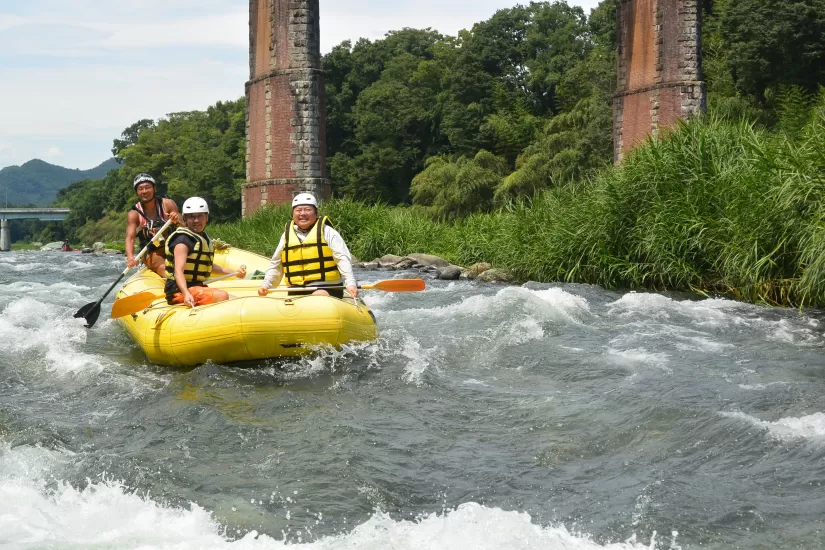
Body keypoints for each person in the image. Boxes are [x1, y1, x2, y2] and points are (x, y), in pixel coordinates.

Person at [257, 193, 357, 300]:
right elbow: (276, 263)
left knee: (316, 297)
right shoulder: (286, 236)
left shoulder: (327, 231)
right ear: (293, 213)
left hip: (327, 288)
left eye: (307, 210)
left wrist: (350, 282)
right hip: (296, 289)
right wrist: (266, 285)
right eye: (298, 210)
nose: (303, 213)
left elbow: (342, 258)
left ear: (316, 213)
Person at [164, 197, 246, 307]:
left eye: (200, 216)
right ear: (184, 218)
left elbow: (208, 266)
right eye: (191, 217)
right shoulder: (182, 241)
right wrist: (186, 293)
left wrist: (234, 272)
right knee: (222, 296)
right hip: (178, 291)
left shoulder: (203, 237)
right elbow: (178, 272)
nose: (196, 220)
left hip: (196, 287)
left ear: (206, 217)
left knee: (237, 301)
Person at [125, 173, 181, 277]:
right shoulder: (134, 214)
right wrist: (130, 257)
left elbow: (183, 228)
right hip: (152, 252)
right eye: (140, 189)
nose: (144, 191)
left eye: (147, 187)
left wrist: (176, 220)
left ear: (154, 189)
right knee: (165, 270)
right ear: (137, 192)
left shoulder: (168, 204)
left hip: (173, 247)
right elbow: (130, 238)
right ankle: (177, 282)